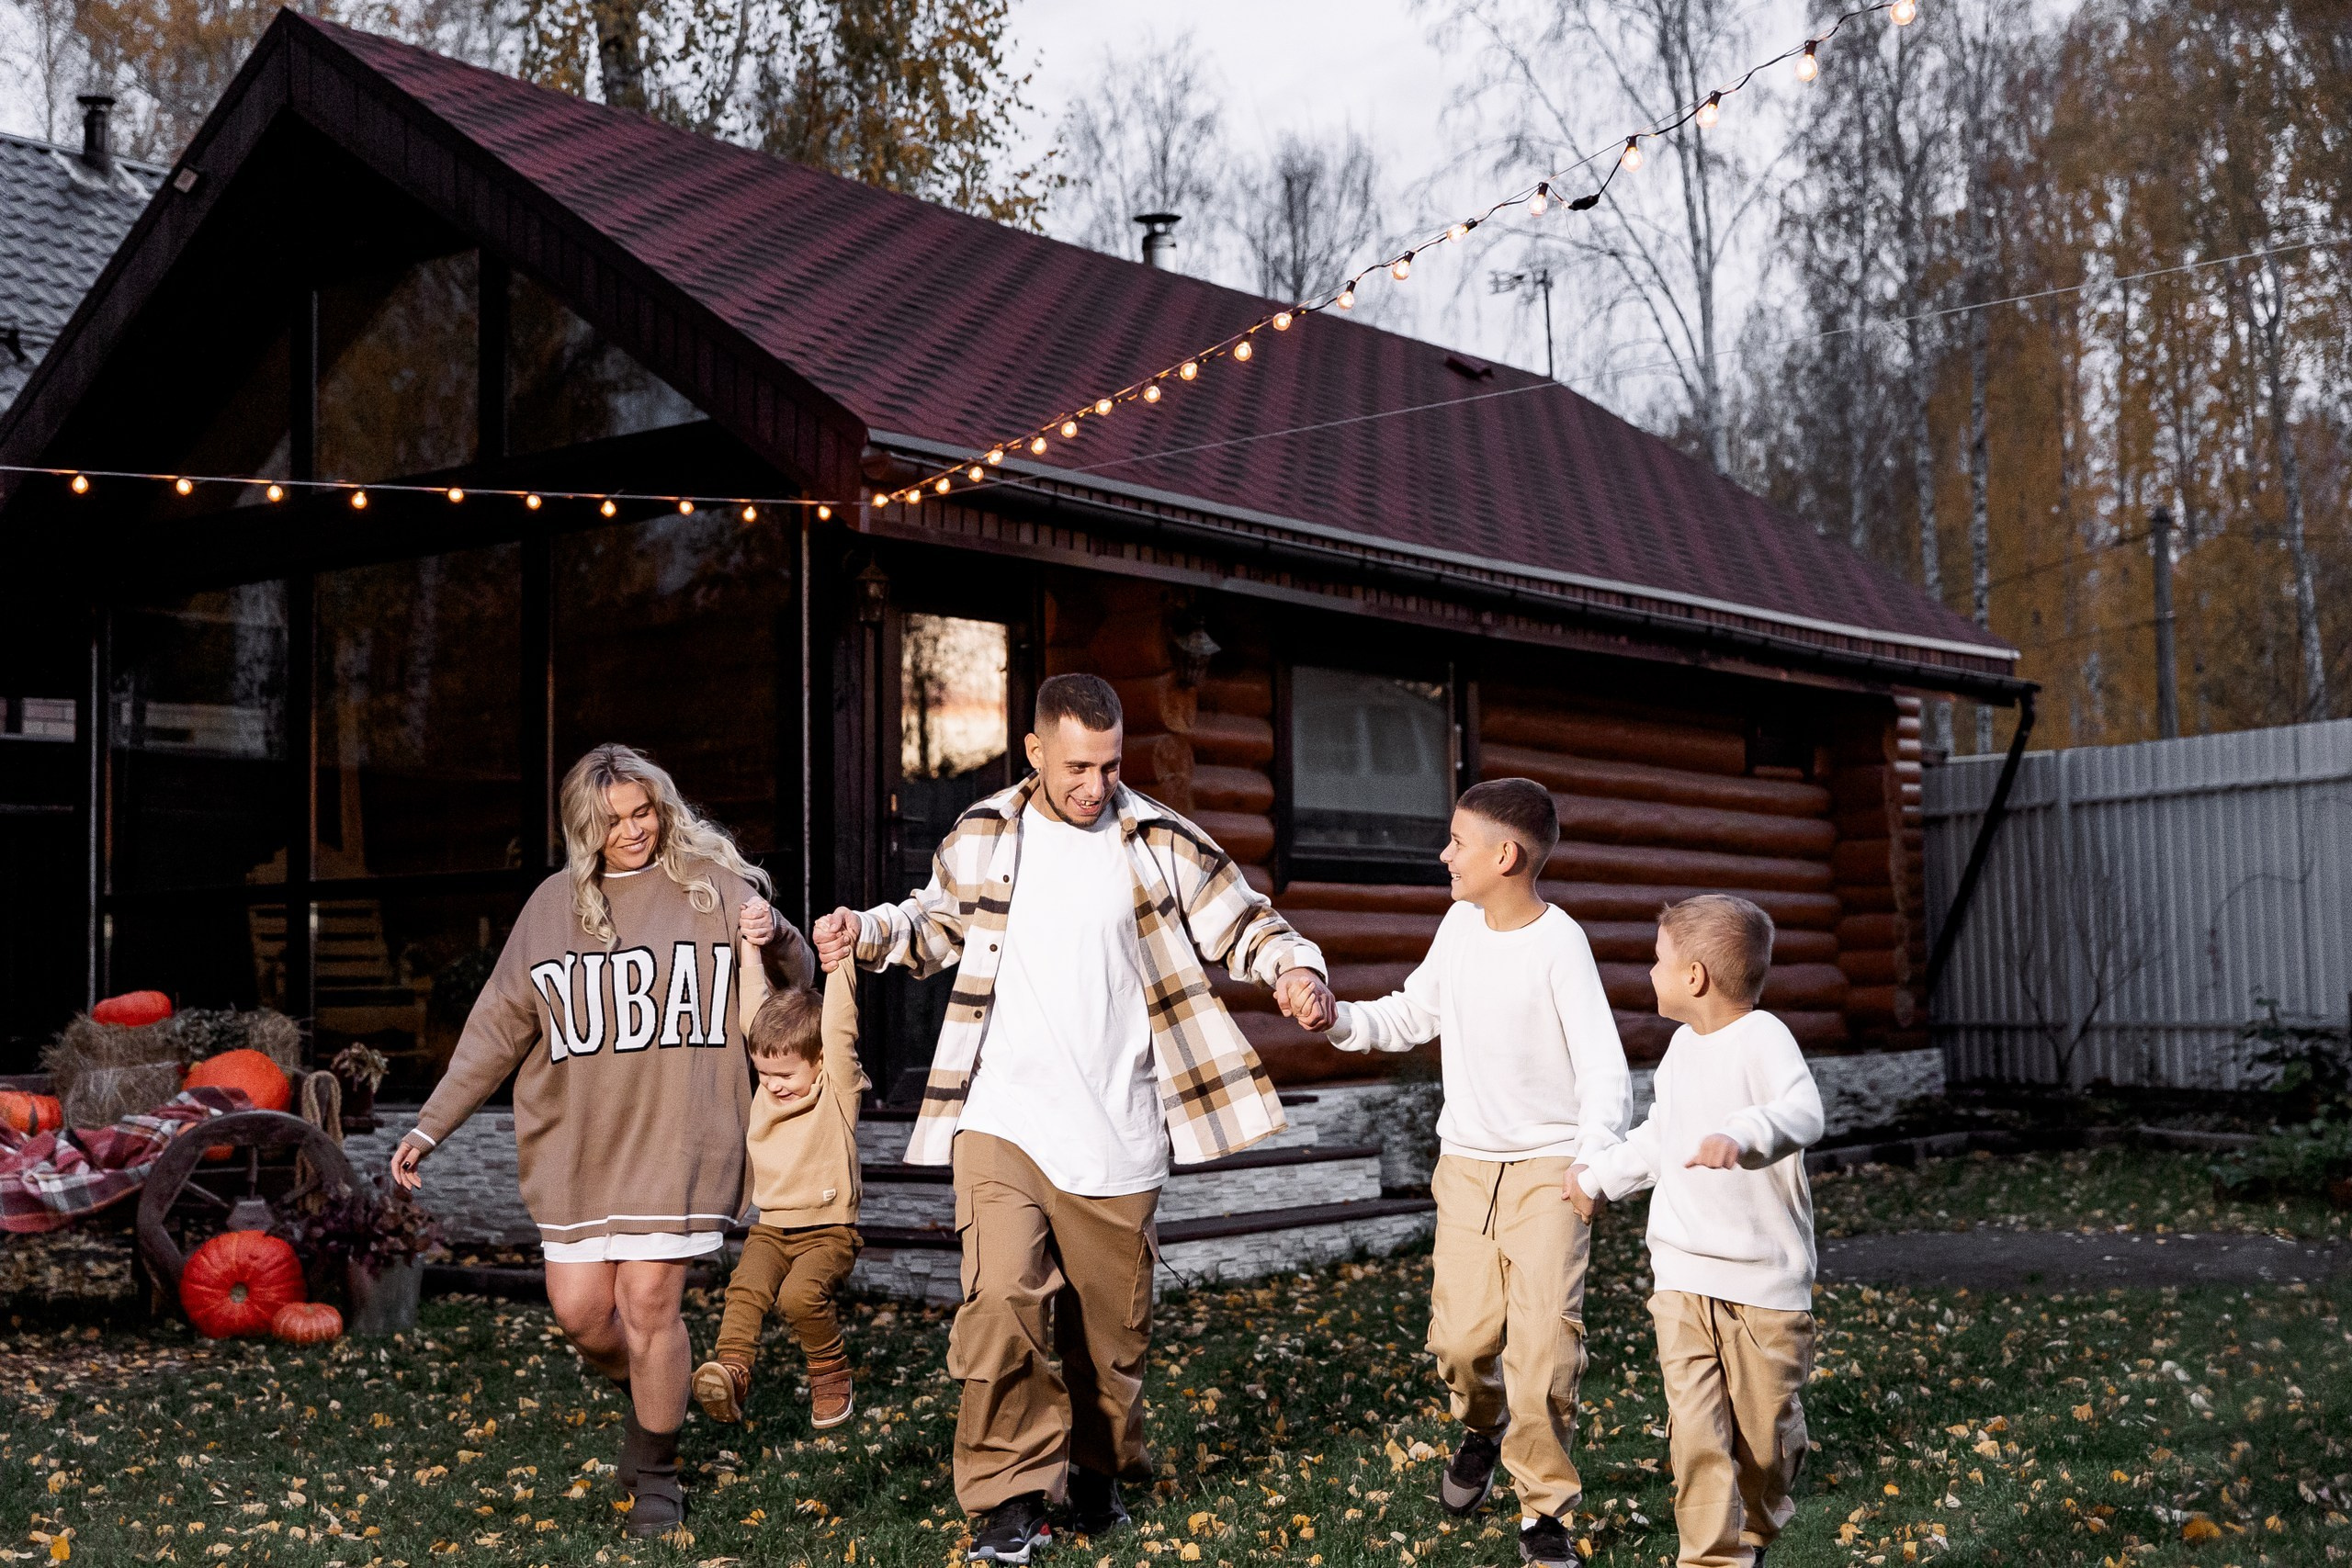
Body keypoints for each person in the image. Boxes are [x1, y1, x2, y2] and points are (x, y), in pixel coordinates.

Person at [811, 672, 1336, 1566]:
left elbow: (1247, 921)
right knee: (1001, 1300)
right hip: (1005, 1114)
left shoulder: (1160, 840)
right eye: (1076, 766)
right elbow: (934, 923)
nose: (1094, 784)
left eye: (1109, 765)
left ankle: (1093, 1472)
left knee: (1109, 1337)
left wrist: (1296, 970)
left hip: (1118, 1128)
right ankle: (1008, 1498)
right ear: (1036, 753)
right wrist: (870, 931)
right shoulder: (986, 834)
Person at [390, 743, 814, 1539]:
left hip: (680, 1134)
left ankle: (656, 1472)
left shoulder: (713, 890)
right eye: (613, 819)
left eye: (643, 811)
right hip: (579, 1145)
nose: (632, 830)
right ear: (585, 826)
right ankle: (661, 1394)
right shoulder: (552, 906)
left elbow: (791, 991)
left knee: (649, 1301)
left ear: (662, 807)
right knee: (584, 1314)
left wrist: (779, 930)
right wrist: (428, 1123)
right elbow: (497, 1025)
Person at [1324, 777, 1630, 1568]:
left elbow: (1604, 1067)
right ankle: (1481, 1425)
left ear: (1506, 855)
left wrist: (1592, 1159)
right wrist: (1343, 1019)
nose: (1443, 854)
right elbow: (1413, 1010)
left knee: (1544, 1350)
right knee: (1462, 1342)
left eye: (1458, 841)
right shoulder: (1459, 925)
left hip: (1548, 1174)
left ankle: (1544, 1514)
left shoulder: (1561, 943)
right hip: (1465, 1169)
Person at [1568, 895, 1825, 1568]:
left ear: (1695, 977)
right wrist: (1600, 1179)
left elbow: (1803, 1112)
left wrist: (1742, 1134)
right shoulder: (1682, 1048)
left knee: (1764, 1439)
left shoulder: (1765, 1037)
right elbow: (1661, 1135)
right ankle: (1714, 1557)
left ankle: (1758, 1523)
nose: (1650, 972)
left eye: (1659, 959)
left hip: (1765, 1285)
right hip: (1683, 1276)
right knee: (1697, 1436)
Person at [693, 964, 866, 1430]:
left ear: (820, 1061)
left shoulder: (838, 1092)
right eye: (762, 1073)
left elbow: (839, 1028)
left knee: (799, 1296)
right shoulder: (770, 1092)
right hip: (772, 1228)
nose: (772, 1085)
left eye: (784, 1074)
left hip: (828, 1232)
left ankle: (831, 1375)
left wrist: (841, 962)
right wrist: (750, 944)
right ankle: (732, 1374)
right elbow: (755, 1010)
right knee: (744, 1290)